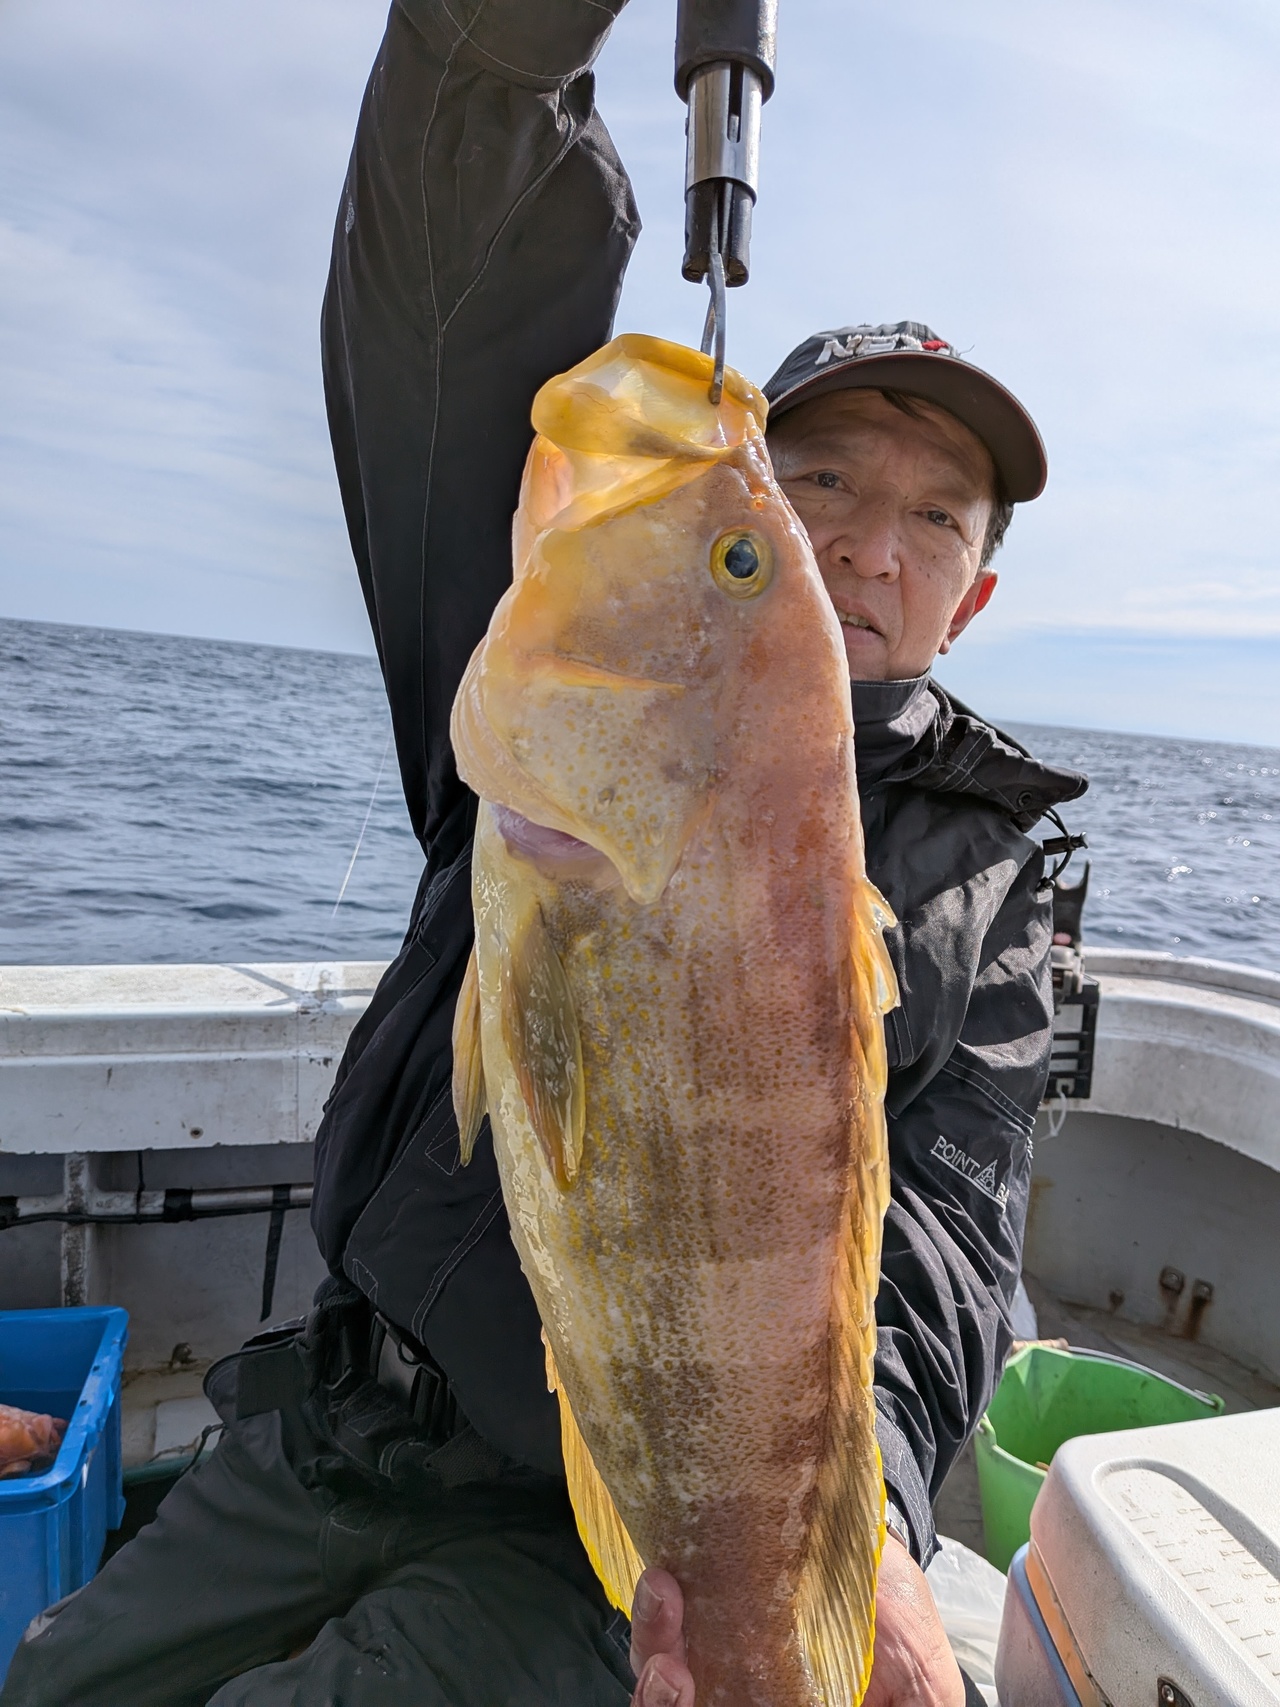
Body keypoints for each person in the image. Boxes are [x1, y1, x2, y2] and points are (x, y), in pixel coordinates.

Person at [0, 2, 1085, 1705]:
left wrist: (856, 1522)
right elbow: (451, 294)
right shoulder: (537, 685)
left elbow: (948, 1229)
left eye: (936, 515)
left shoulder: (997, 887)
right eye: (813, 486)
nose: (872, 549)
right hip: (335, 1417)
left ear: (979, 590)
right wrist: (492, 54)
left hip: (609, 1543)